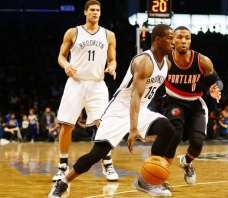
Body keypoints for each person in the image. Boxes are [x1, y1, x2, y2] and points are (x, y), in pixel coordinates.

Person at [48, 23, 176, 198]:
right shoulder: (144, 61)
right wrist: (133, 129)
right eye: (170, 38)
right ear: (158, 39)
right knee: (97, 154)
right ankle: (63, 183)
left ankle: (145, 181)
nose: (174, 42)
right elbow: (135, 97)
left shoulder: (166, 64)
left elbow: (142, 100)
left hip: (140, 110)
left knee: (168, 130)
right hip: (119, 110)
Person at [53, 0, 118, 182]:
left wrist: (112, 67)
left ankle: (108, 163)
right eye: (92, 10)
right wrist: (66, 65)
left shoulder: (109, 35)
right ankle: (62, 166)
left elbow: (112, 60)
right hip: (76, 83)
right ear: (85, 12)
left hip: (97, 84)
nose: (95, 13)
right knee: (66, 126)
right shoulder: (73, 32)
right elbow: (61, 56)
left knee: (103, 125)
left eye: (98, 10)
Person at [162, 26, 222, 184]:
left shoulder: (202, 60)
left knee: (197, 145)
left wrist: (217, 89)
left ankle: (186, 162)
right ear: (173, 40)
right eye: (180, 37)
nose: (183, 40)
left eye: (187, 38)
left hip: (195, 105)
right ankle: (161, 176)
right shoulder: (165, 60)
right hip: (173, 101)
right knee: (175, 135)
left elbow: (217, 80)